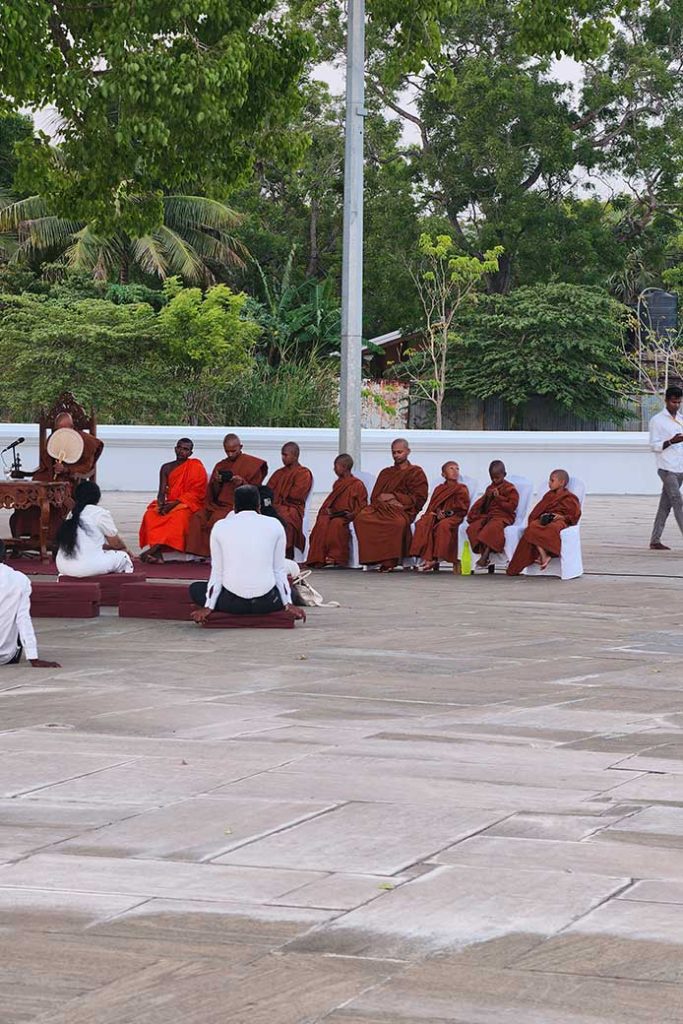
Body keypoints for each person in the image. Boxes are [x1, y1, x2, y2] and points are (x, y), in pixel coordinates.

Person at [189, 485, 305, 621]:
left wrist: (209, 606)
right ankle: (285, 599)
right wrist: (288, 604)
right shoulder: (275, 525)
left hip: (231, 604)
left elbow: (217, 572)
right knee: (291, 591)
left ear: (234, 507)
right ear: (258, 506)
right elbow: (278, 570)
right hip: (267, 603)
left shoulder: (220, 526)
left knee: (195, 588)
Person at [10, 411, 104, 542]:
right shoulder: (53, 439)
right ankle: (25, 537)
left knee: (55, 497)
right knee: (25, 497)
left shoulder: (84, 440)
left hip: (68, 481)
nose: (59, 434)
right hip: (45, 478)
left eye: (63, 430)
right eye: (57, 430)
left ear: (71, 427)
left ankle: (52, 538)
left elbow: (87, 468)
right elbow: (45, 464)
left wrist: (66, 469)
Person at [185, 434, 267, 558]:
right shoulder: (221, 465)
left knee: (217, 518)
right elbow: (213, 493)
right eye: (227, 451)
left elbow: (255, 491)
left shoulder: (252, 464)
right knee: (197, 517)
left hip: (237, 506)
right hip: (217, 504)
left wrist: (242, 482)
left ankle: (216, 555)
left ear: (241, 447)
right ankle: (198, 554)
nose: (230, 454)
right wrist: (217, 482)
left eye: (233, 451)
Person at [354, 438, 428, 571]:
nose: (396, 455)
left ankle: (389, 561)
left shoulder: (416, 472)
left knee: (397, 523)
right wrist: (387, 500)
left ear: (408, 452)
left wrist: (395, 497)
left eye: (399, 452)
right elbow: (375, 497)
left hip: (403, 511)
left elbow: (419, 498)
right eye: (393, 452)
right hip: (382, 508)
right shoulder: (386, 473)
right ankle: (373, 559)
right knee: (361, 518)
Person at [139, 438, 208, 562]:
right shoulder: (166, 467)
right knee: (151, 514)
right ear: (175, 449)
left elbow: (196, 493)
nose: (182, 451)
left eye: (186, 449)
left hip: (187, 504)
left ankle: (154, 550)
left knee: (178, 518)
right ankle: (157, 550)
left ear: (190, 453)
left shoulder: (195, 466)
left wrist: (173, 505)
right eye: (180, 448)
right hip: (170, 502)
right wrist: (161, 504)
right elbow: (161, 492)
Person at [507, 469, 582, 574]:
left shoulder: (570, 497)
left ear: (562, 482)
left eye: (552, 481)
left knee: (553, 528)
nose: (549, 483)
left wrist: (561, 517)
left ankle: (546, 554)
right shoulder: (549, 496)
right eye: (549, 480)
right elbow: (537, 510)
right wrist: (543, 517)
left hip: (559, 522)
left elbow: (575, 515)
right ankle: (544, 554)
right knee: (532, 526)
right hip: (546, 520)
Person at [0, 541, 60, 668]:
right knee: (15, 615)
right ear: (5, 556)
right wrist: (33, 657)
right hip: (4, 655)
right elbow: (23, 619)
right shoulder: (20, 579)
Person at [55, 481, 134, 577]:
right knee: (124, 557)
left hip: (63, 567)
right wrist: (124, 549)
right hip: (87, 567)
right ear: (97, 498)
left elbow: (87, 542)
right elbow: (116, 543)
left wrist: (108, 548)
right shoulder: (100, 513)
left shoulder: (72, 513)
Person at [306, 454, 368, 568]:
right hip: (335, 514)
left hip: (346, 516)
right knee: (322, 522)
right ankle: (318, 558)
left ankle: (336, 557)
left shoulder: (357, 484)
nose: (334, 469)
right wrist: (329, 510)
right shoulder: (338, 483)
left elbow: (362, 505)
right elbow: (333, 501)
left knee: (337, 524)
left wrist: (352, 514)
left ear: (344, 467)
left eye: (336, 466)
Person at [409, 461, 470, 571]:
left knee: (443, 526)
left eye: (457, 468)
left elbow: (462, 507)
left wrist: (446, 513)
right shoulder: (439, 488)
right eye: (451, 468)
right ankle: (425, 557)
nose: (455, 471)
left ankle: (436, 558)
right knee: (423, 523)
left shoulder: (461, 488)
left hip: (454, 517)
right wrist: (437, 512)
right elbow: (434, 505)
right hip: (438, 516)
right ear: (443, 474)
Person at [648, 384, 683, 550]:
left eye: (679, 402)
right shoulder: (657, 421)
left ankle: (655, 540)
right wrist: (671, 441)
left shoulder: (681, 419)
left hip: (680, 467)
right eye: (673, 402)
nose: (676, 405)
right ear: (666, 401)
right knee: (678, 501)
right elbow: (654, 445)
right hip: (666, 468)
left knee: (665, 505)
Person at [466, 460, 519, 568]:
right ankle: (483, 552)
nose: (495, 480)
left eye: (497, 477)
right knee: (473, 528)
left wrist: (499, 498)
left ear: (504, 475)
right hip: (490, 515)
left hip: (504, 516)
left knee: (492, 527)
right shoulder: (490, 488)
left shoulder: (510, 488)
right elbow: (484, 506)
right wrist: (488, 497)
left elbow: (512, 506)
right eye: (492, 478)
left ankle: (486, 555)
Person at [267, 442, 313, 558]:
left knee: (284, 517)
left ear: (295, 456)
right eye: (282, 455)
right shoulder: (279, 473)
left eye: (285, 455)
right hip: (276, 506)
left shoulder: (303, 473)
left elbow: (297, 495)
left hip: (292, 508)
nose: (283, 458)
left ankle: (286, 553)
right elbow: (268, 491)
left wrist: (280, 499)